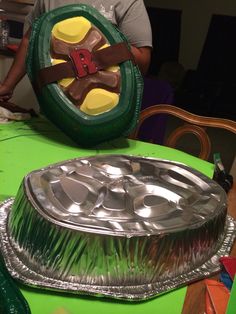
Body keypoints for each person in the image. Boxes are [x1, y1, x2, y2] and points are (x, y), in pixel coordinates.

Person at [0, 0, 152, 102]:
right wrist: (8, 86)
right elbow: (29, 41)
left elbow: (143, 59)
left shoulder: (128, 2)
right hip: (56, 105)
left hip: (108, 107)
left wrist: (99, 39)